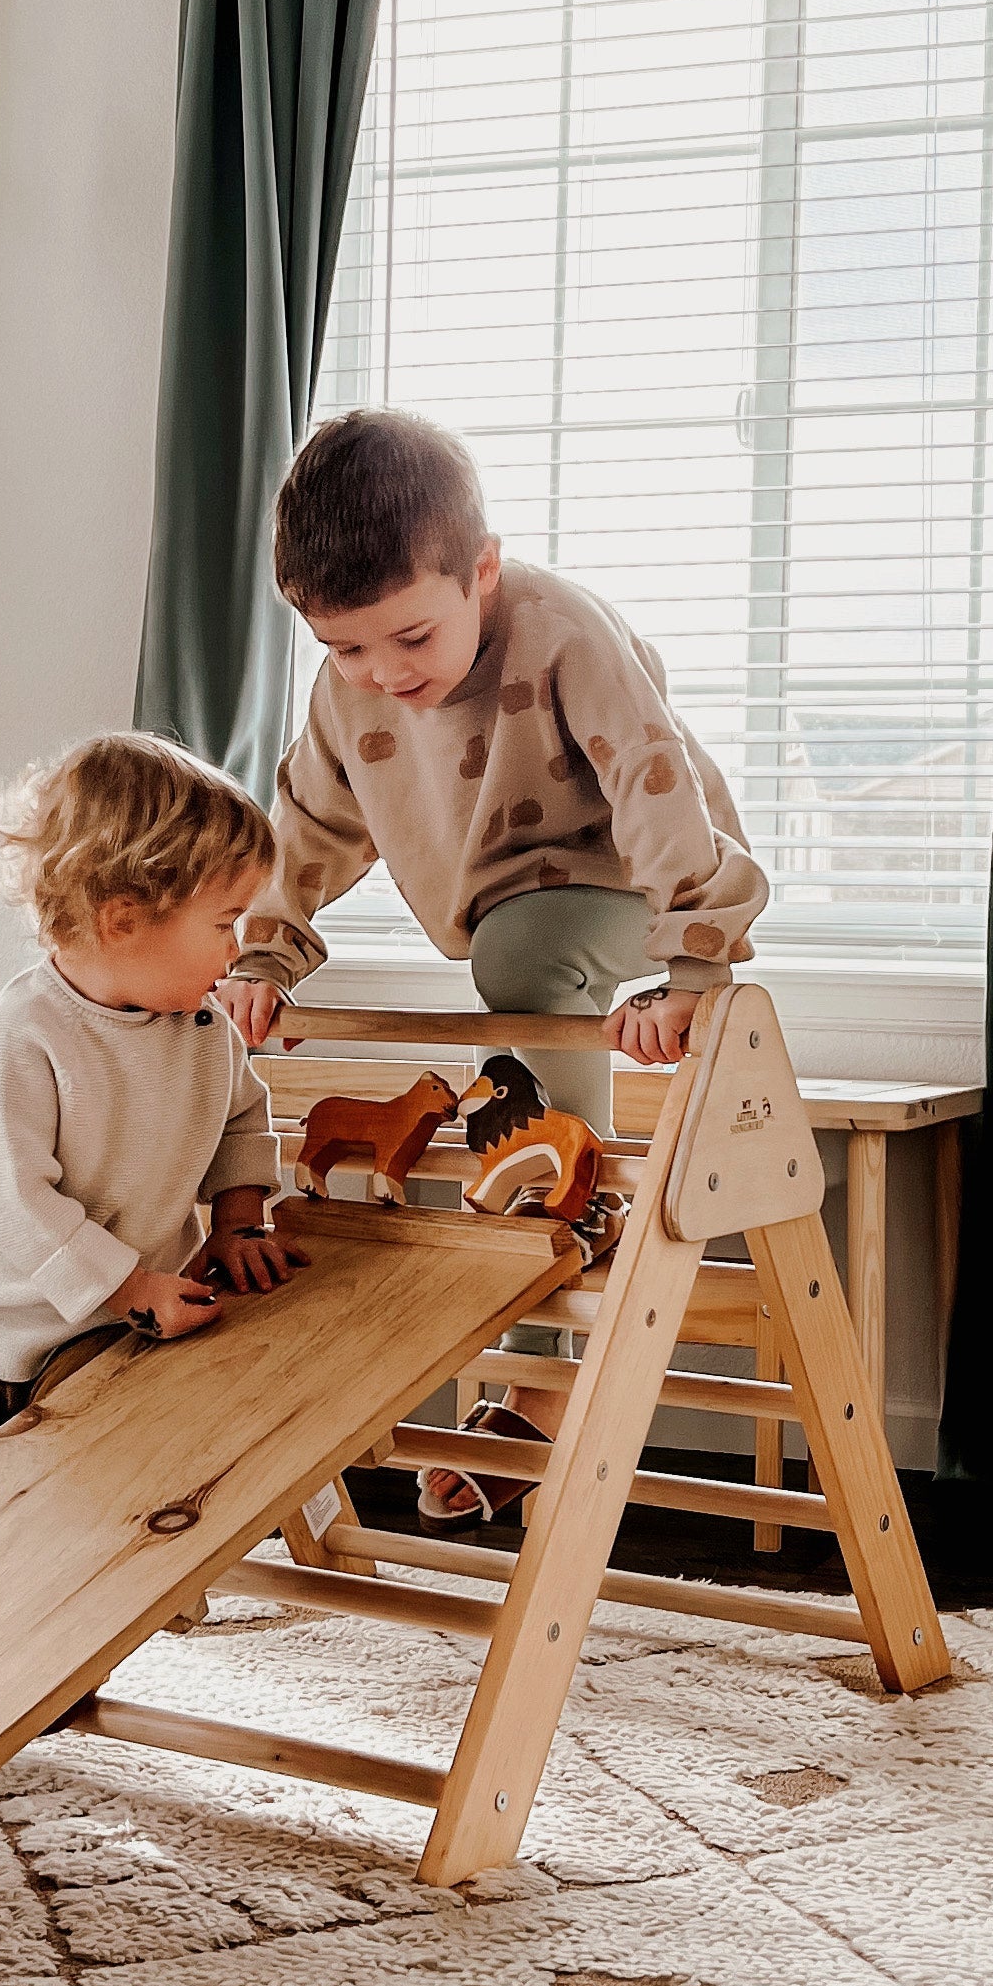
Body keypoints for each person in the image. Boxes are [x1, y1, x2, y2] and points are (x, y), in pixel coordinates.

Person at [212, 406, 767, 1520]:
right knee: (507, 1027)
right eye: (343, 647)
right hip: (513, 907)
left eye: (411, 638)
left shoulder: (565, 637)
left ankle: (578, 1192)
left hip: (626, 874)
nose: (379, 673)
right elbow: (308, 827)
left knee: (523, 962)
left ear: (483, 571)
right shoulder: (352, 691)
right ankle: (522, 1389)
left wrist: (693, 964)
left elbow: (657, 787)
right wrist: (265, 956)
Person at [0, 733, 303, 1521]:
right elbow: (17, 1201)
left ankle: (134, 1575)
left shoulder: (199, 1028)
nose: (237, 952)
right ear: (124, 919)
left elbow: (241, 1119)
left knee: (100, 1476)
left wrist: (238, 1222)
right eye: (225, 923)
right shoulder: (25, 1038)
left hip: (124, 1315)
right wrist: (131, 1288)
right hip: (2, 1316)